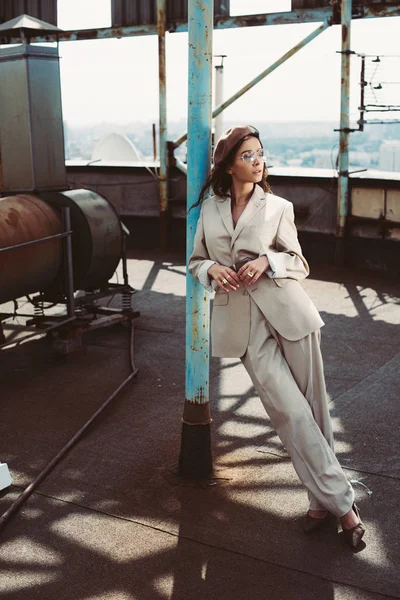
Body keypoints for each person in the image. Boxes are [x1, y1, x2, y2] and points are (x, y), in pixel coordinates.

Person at [188, 125, 365, 549]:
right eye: (248, 155)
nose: (258, 160)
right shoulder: (208, 211)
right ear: (229, 165)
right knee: (290, 412)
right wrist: (211, 270)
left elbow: (299, 262)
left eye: (260, 153)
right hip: (244, 328)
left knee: (314, 411)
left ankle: (319, 502)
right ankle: (345, 507)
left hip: (291, 315)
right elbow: (195, 260)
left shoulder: (278, 206)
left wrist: (268, 261)